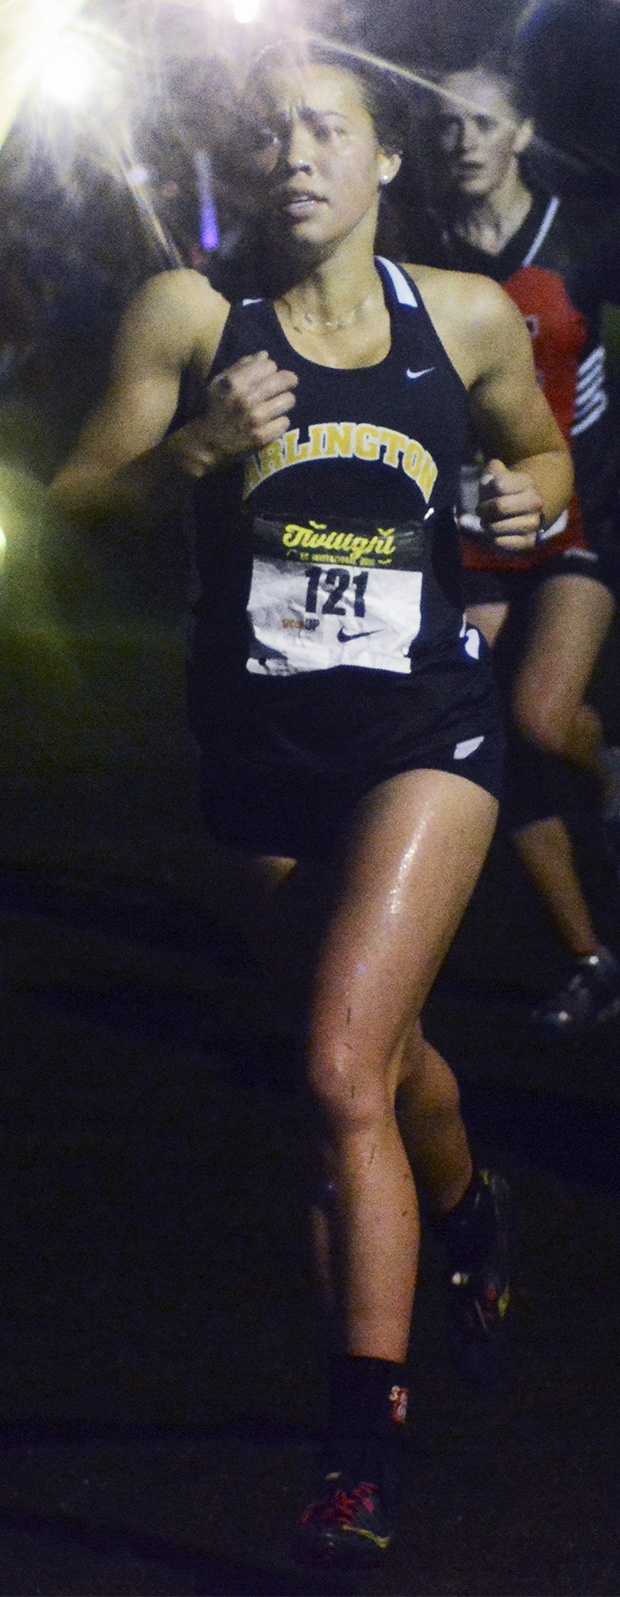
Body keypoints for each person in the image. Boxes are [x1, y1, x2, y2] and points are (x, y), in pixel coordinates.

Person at [51, 43, 571, 1566]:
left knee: (338, 1067)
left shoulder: (460, 316)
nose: (295, 156)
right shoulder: (189, 317)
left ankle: (357, 1452)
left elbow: (539, 447)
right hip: (261, 757)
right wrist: (194, 451)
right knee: (387, 1061)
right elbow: (76, 502)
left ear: (382, 158)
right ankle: (469, 1212)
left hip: (423, 735)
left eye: (325, 130)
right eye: (272, 135)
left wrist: (535, 495)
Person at [420, 61, 620, 1039]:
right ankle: (589, 961)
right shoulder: (420, 254)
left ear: (520, 134)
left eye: (482, 122)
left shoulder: (580, 238)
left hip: (582, 514)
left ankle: (605, 767)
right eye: (446, 123)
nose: (462, 140)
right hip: (475, 526)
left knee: (540, 718)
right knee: (488, 737)